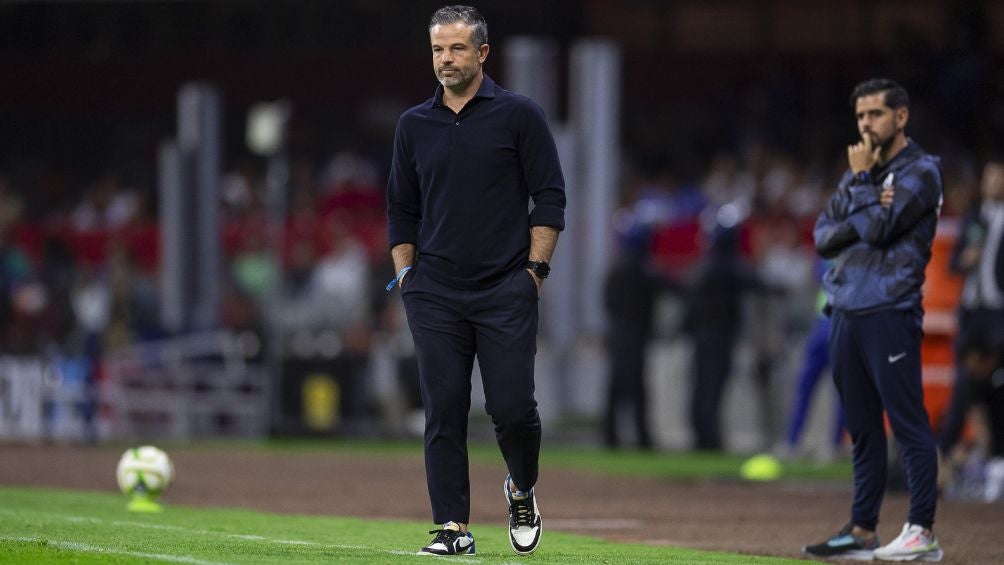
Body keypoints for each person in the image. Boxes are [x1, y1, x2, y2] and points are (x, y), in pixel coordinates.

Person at [385, 5, 565, 557]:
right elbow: (400, 209)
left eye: (457, 48)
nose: (446, 59)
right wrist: (407, 277)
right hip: (433, 291)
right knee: (443, 408)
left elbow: (550, 197)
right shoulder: (413, 124)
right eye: (438, 49)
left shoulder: (519, 115)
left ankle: (521, 487)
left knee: (513, 410)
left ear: (483, 53)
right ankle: (452, 527)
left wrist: (533, 274)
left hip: (505, 289)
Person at [804, 78, 944, 562]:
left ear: (900, 117)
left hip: (890, 308)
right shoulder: (859, 174)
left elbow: (882, 230)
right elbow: (823, 235)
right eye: (861, 116)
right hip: (845, 307)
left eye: (876, 115)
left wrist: (863, 188)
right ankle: (863, 530)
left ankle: (922, 530)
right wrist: (864, 206)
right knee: (862, 429)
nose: (866, 124)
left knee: (906, 423)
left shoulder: (921, 171)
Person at [938, 158, 1004, 460]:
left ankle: (950, 449)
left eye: (999, 178)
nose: (994, 183)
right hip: (972, 312)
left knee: (985, 381)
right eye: (990, 178)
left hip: (998, 312)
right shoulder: (974, 217)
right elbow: (953, 264)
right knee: (969, 382)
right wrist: (966, 258)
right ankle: (976, 453)